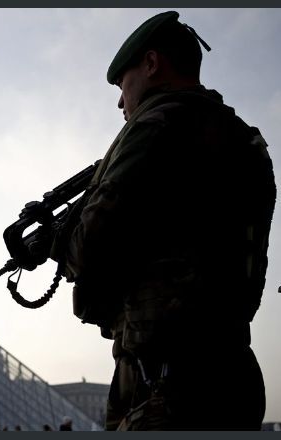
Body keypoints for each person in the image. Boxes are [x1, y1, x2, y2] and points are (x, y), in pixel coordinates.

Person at [50, 10, 275, 431]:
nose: (120, 100)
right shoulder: (245, 139)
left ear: (151, 64)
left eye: (122, 83)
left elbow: (91, 247)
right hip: (232, 369)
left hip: (165, 384)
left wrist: (55, 242)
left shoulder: (155, 124)